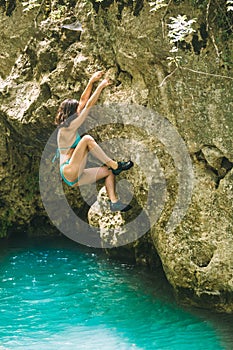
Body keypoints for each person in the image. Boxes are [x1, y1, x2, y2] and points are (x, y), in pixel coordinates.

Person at [53, 71, 134, 212]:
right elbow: (88, 106)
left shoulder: (71, 122)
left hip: (74, 177)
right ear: (70, 113)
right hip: (68, 169)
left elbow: (83, 102)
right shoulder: (66, 128)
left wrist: (91, 81)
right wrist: (100, 86)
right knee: (87, 139)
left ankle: (114, 202)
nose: (79, 111)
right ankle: (115, 165)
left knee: (107, 172)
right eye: (76, 110)